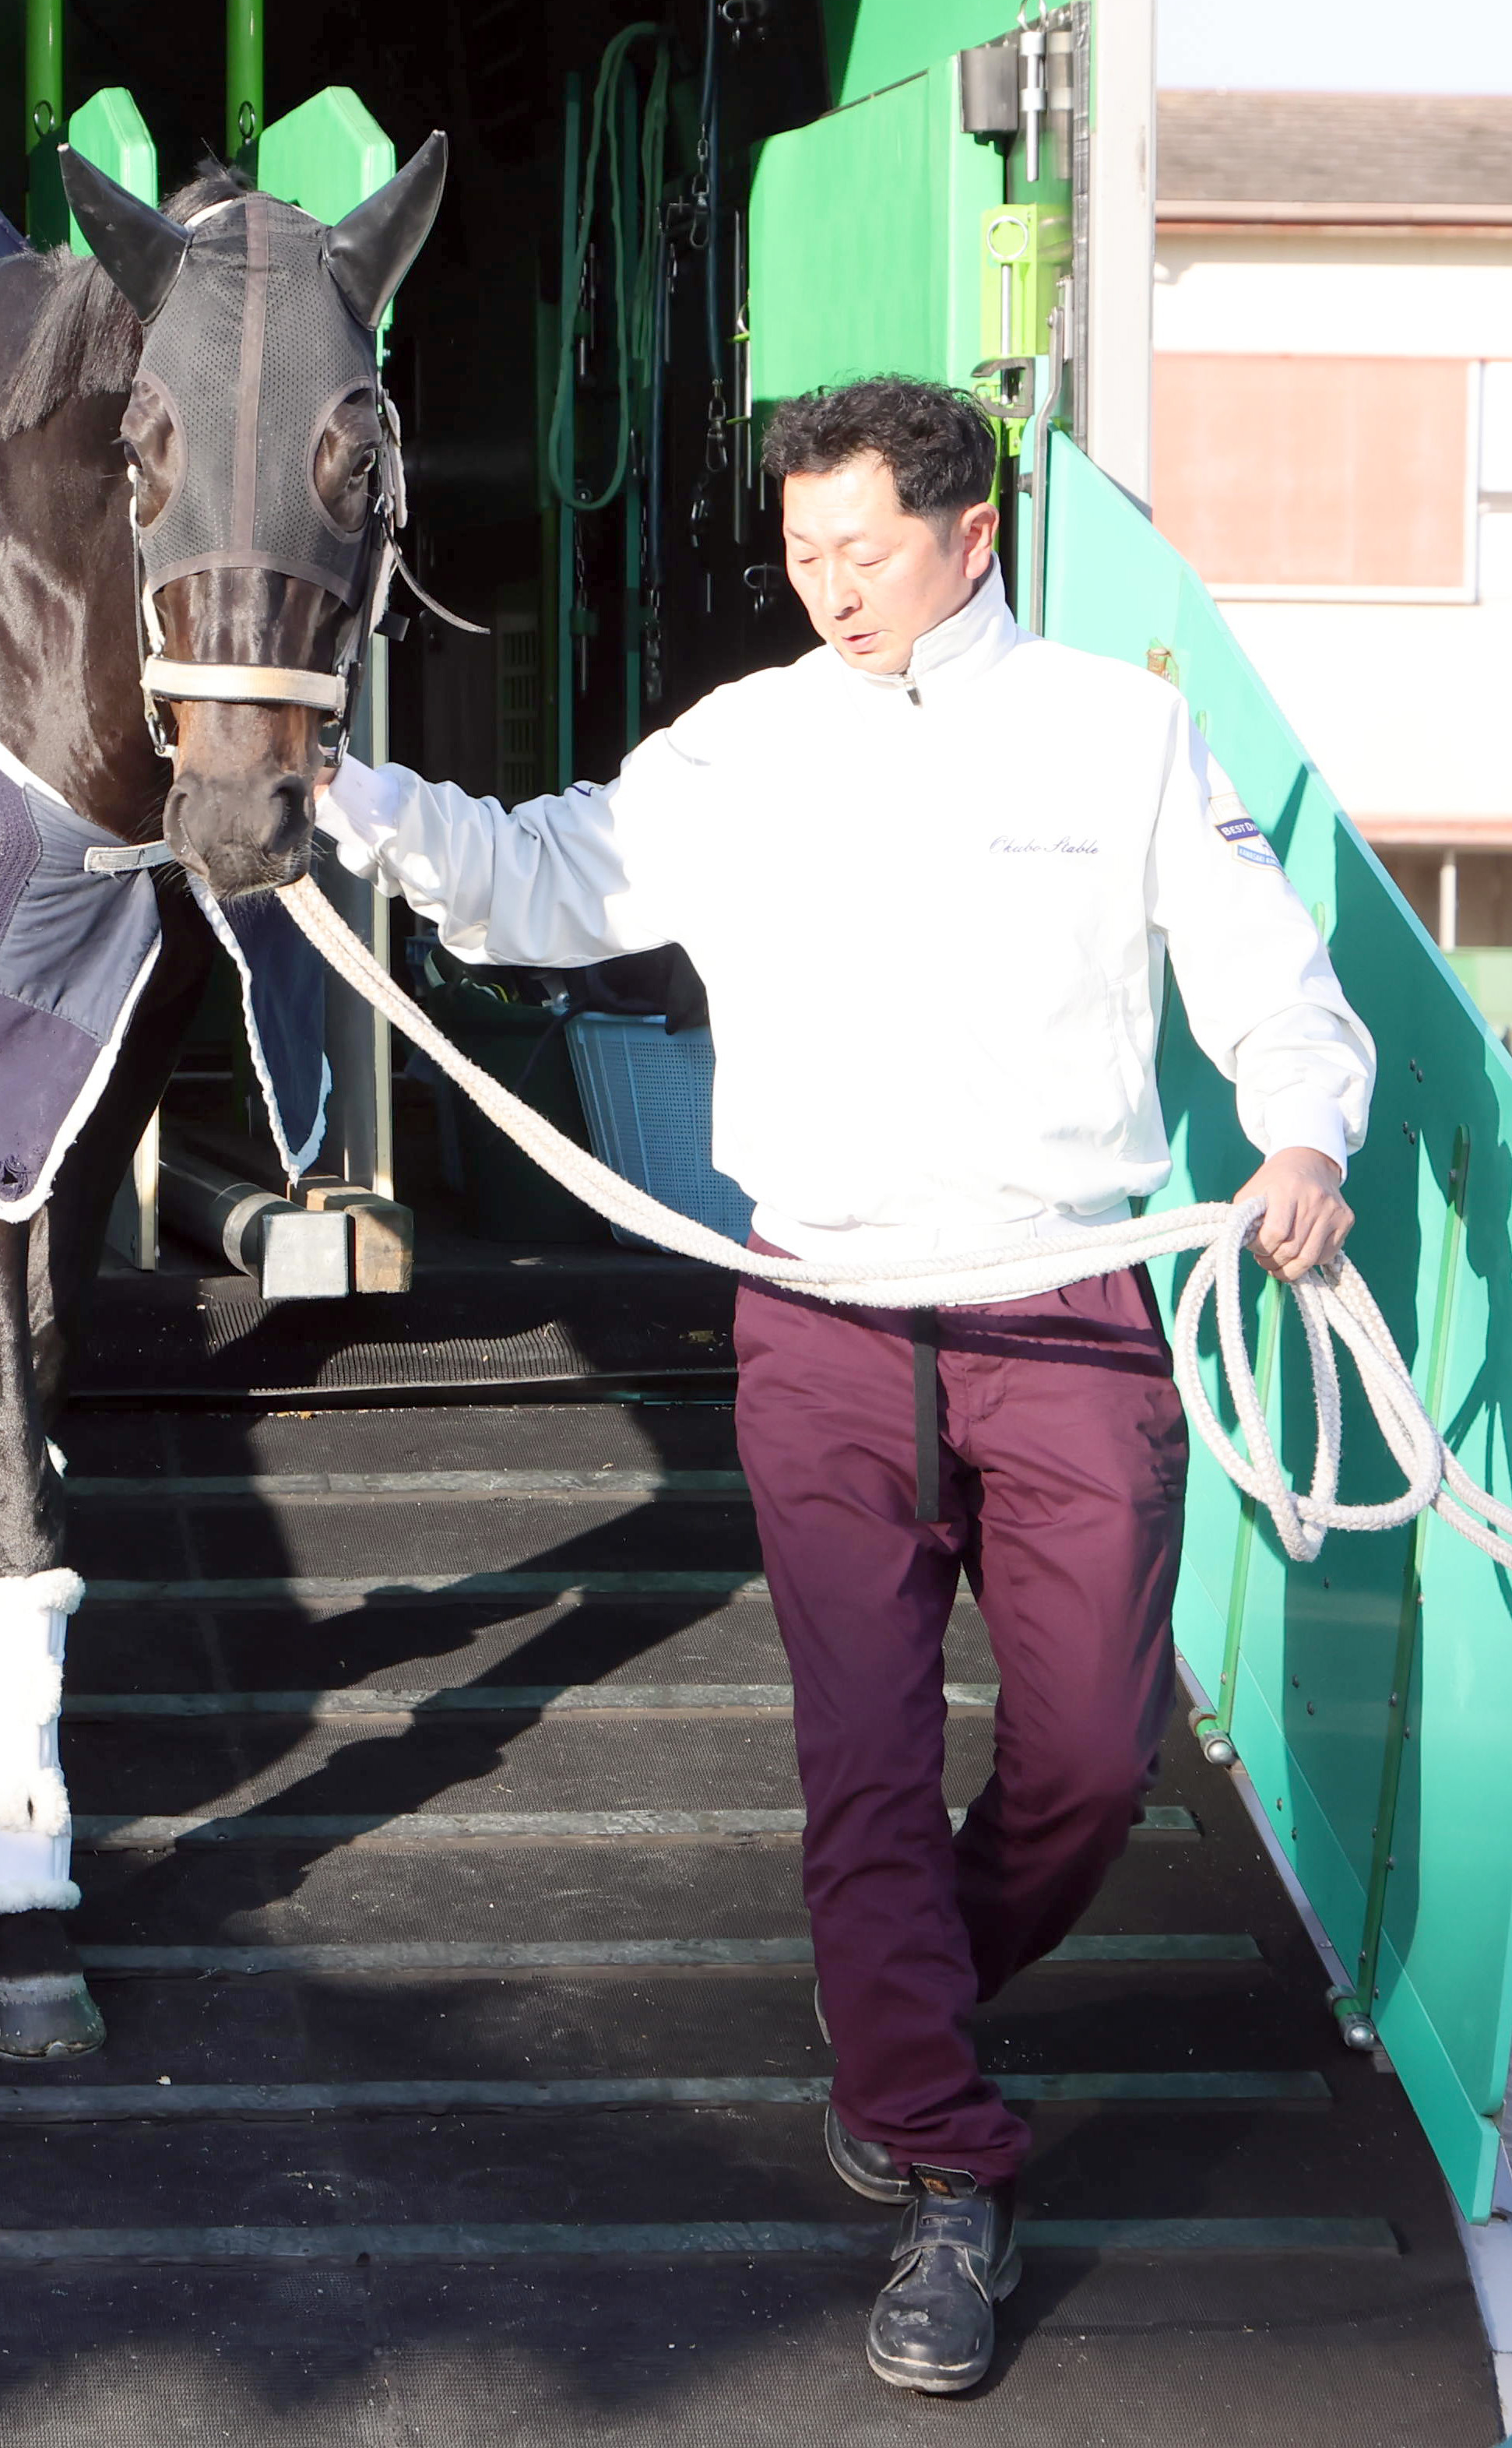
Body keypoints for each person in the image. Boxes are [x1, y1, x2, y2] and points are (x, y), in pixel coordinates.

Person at [313, 376, 1372, 2395]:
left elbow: (1262, 974)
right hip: (815, 1312)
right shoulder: (747, 743)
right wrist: (341, 795)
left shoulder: (1117, 729)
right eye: (801, 555)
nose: (827, 590)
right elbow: (547, 878)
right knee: (862, 1761)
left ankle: (899, 2014)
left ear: (969, 535)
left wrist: (1301, 1135)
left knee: (1085, 1750)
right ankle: (942, 2155)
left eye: (861, 552)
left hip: (1066, 1298)